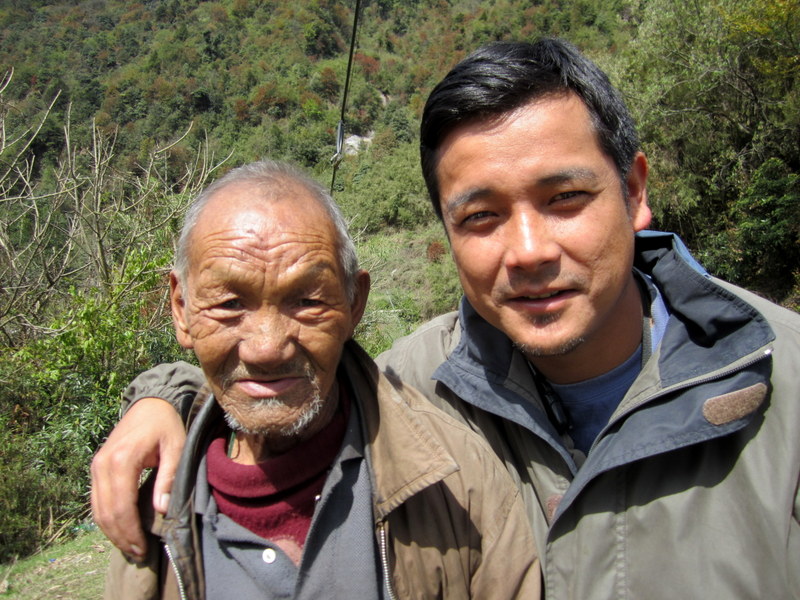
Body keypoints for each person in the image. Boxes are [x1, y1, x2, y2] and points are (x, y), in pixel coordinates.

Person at [93, 39, 800, 597]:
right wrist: (167, 396)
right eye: (482, 216)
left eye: (564, 199)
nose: (526, 252)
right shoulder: (417, 387)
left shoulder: (781, 382)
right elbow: (278, 370)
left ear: (634, 189)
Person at [99, 159, 540, 599]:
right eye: (231, 303)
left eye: (307, 301)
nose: (267, 347)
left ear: (354, 304)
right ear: (181, 308)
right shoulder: (150, 515)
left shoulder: (462, 485)